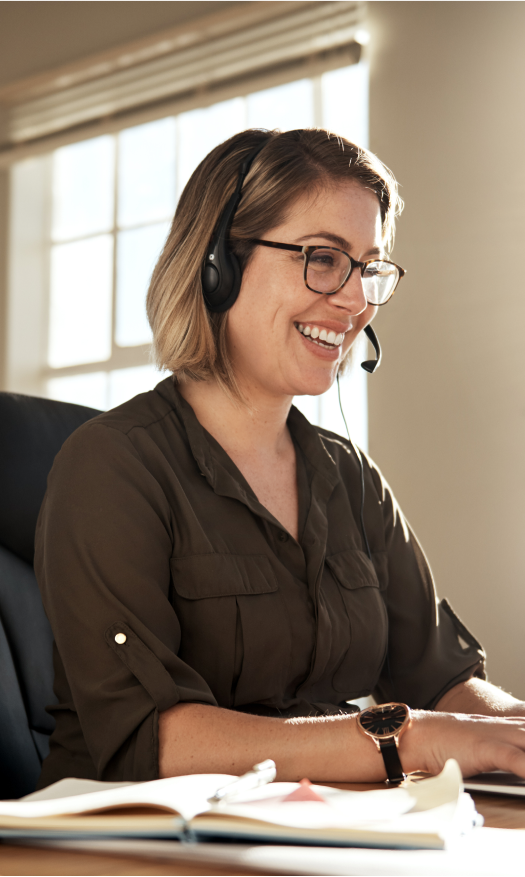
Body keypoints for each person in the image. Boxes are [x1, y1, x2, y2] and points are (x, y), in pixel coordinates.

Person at [34, 127, 525, 788]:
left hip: (322, 827)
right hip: (141, 841)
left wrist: (512, 732)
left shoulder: (350, 478)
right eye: (323, 257)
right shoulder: (112, 467)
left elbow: (443, 679)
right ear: (219, 264)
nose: (353, 301)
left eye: (368, 267)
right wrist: (408, 738)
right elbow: (151, 736)